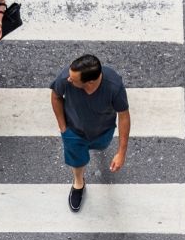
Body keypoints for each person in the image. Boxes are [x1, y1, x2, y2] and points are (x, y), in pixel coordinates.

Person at [49, 53, 130, 212]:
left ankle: (94, 150)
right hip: (74, 131)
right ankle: (78, 183)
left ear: (89, 83)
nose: (68, 79)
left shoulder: (114, 86)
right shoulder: (66, 77)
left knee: (101, 146)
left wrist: (121, 153)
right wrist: (63, 127)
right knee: (77, 161)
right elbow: (56, 96)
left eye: (73, 79)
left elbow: (124, 116)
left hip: (103, 130)